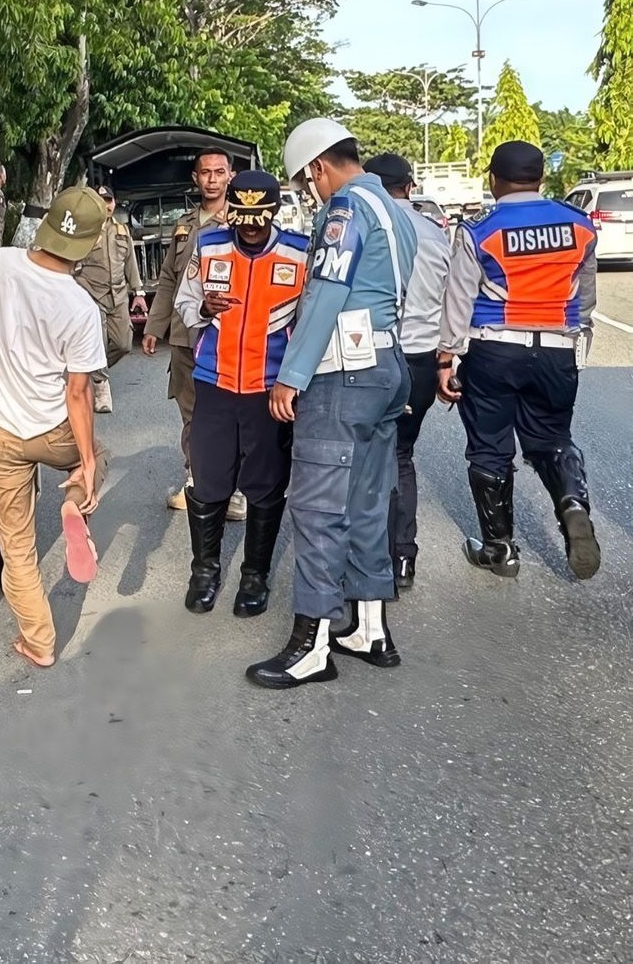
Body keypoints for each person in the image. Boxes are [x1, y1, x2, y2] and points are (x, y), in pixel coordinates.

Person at [245, 118, 415, 689]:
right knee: (368, 502)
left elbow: (326, 293)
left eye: (305, 181)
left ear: (319, 166)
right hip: (388, 367)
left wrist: (290, 376)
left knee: (318, 508)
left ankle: (311, 644)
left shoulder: (343, 210)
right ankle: (370, 626)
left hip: (342, 373)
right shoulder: (396, 209)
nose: (308, 191)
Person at [436, 140, 600, 582]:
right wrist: (573, 336)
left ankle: (500, 549)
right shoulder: (579, 225)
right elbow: (584, 298)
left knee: (490, 447)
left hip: (494, 351)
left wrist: (446, 358)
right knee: (552, 438)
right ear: (542, 178)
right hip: (557, 350)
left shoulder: (479, 229)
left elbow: (459, 298)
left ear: (493, 179)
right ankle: (572, 504)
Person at [0, 185, 109, 669]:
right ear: (88, 245)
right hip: (51, 431)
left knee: (17, 547)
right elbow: (77, 393)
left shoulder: (1, 263)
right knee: (98, 457)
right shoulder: (81, 308)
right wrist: (87, 465)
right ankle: (73, 501)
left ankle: (39, 642)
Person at [175, 170, 308, 617]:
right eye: (243, 216)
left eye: (260, 217)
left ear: (274, 212)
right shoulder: (209, 245)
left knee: (266, 487)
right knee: (209, 480)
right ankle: (205, 572)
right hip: (214, 382)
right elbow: (184, 300)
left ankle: (255, 575)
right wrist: (201, 308)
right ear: (231, 211)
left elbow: (310, 324)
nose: (251, 226)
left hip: (269, 390)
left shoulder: (299, 253)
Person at [363, 152, 453, 591]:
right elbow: (452, 307)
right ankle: (402, 560)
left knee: (363, 457)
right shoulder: (436, 235)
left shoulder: (361, 227)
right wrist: (445, 363)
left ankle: (367, 561)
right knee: (401, 455)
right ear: (410, 187)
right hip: (418, 359)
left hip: (368, 357)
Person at [144, 148, 245, 519]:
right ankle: (198, 480)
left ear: (230, 176)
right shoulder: (184, 225)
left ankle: (234, 491)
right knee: (192, 414)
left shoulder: (241, 221)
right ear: (195, 178)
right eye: (206, 173)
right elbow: (169, 278)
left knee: (229, 415)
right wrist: (155, 327)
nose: (213, 179)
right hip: (187, 336)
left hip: (229, 336)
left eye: (220, 172)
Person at [72, 183, 147, 413]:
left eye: (109, 200)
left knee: (124, 344)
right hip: (91, 295)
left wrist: (139, 293)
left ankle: (93, 370)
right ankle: (101, 385)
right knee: (99, 342)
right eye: (100, 199)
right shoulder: (82, 232)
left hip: (118, 296)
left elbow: (130, 265)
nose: (105, 205)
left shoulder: (122, 231)